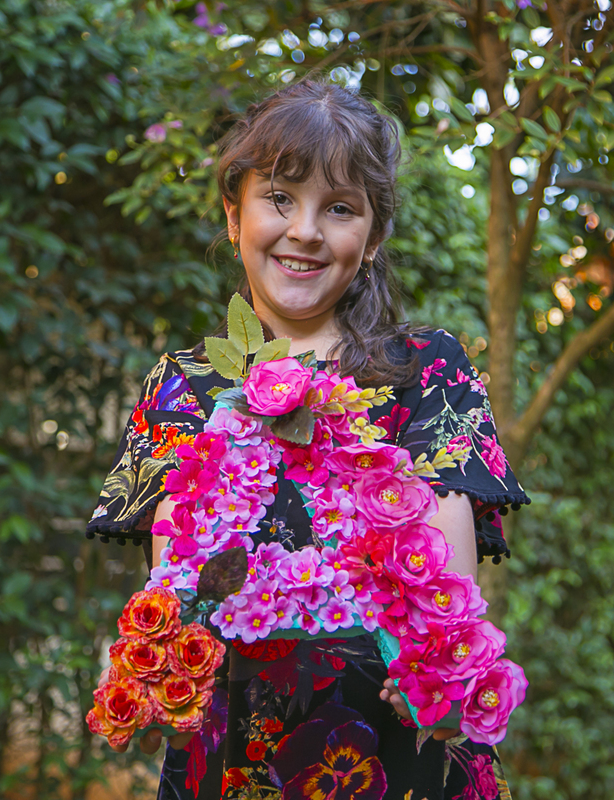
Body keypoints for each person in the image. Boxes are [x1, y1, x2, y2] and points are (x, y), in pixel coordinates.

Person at [86, 75, 529, 800]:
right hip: (233, 761)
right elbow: (176, 592)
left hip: (400, 757)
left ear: (373, 236)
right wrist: (150, 684)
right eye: (280, 198)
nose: (305, 231)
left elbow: (443, 587)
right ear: (234, 214)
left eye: (340, 208)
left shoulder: (428, 370)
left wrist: (442, 681)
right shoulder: (184, 386)